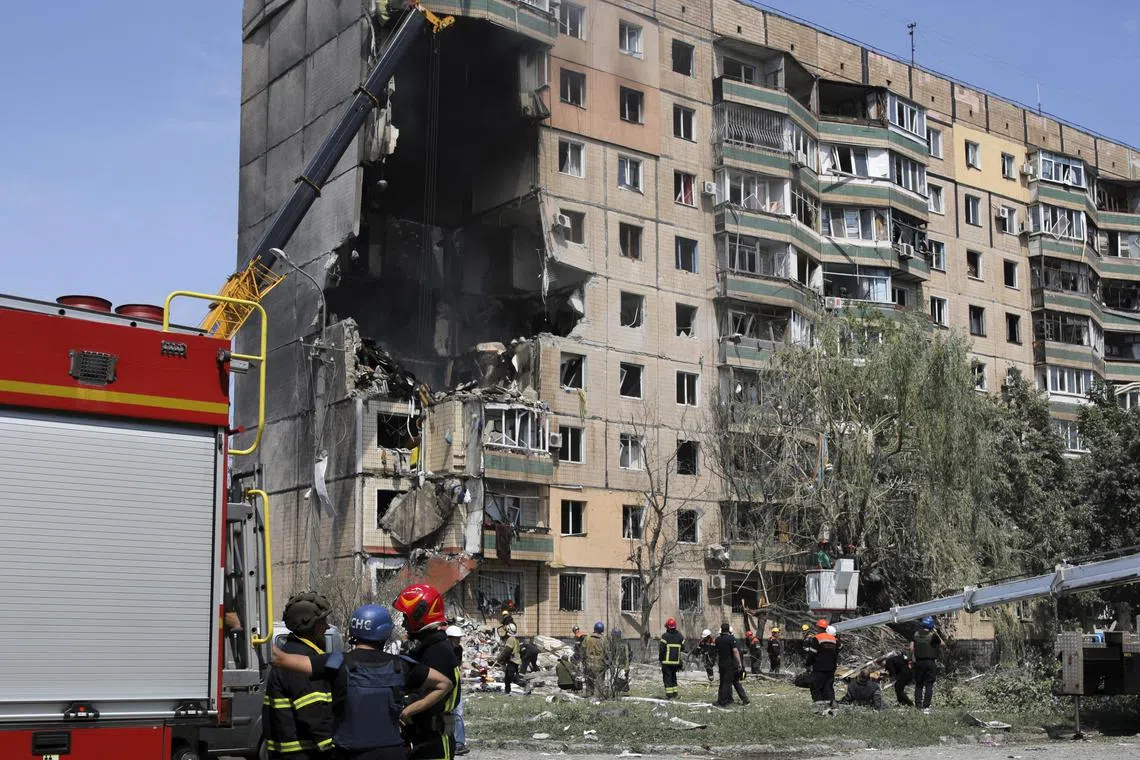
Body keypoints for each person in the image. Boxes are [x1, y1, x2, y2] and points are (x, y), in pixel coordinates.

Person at [271, 604, 453, 760]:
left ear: (353, 630)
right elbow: (444, 684)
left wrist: (254, 635)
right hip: (392, 752)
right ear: (385, 633)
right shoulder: (401, 665)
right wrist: (407, 711)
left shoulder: (336, 662)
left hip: (350, 753)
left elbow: (280, 659)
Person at [393, 583, 461, 760]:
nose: (403, 623)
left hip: (434, 740)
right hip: (420, 735)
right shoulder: (425, 647)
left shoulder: (438, 651)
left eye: (406, 617)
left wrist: (402, 707)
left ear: (419, 615)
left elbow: (432, 693)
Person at [264, 592, 334, 759]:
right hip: (303, 753)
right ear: (312, 626)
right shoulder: (301, 661)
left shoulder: (290, 652)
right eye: (323, 622)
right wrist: (332, 747)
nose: (327, 627)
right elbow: (313, 713)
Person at [804, 620, 840, 710]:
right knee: (828, 687)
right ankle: (832, 706)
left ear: (819, 628)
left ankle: (820, 709)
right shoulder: (833, 639)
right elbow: (835, 655)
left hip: (819, 667)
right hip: (831, 668)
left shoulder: (817, 638)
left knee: (816, 687)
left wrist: (808, 664)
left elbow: (812, 654)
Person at [445, 625, 469, 756]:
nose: (458, 641)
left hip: (455, 683)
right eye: (456, 639)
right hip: (446, 683)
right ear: (449, 638)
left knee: (458, 712)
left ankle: (459, 743)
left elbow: (457, 666)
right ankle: (450, 741)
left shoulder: (458, 649)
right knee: (447, 713)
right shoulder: (443, 650)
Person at [911, 616, 941, 713]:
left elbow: (911, 648)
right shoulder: (933, 635)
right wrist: (936, 633)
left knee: (918, 684)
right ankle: (926, 706)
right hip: (930, 662)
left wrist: (913, 659)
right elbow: (943, 644)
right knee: (929, 685)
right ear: (931, 625)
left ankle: (918, 705)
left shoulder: (915, 635)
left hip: (919, 662)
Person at [714, 623, 749, 706]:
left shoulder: (717, 639)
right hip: (731, 665)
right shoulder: (732, 639)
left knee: (723, 683)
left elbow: (717, 651)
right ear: (729, 630)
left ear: (721, 630)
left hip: (722, 664)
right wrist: (740, 664)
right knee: (731, 682)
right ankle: (730, 700)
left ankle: (722, 700)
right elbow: (735, 651)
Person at [497, 623, 527, 694]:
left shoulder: (510, 639)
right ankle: (507, 691)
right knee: (507, 678)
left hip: (512, 661)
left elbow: (507, 650)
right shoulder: (516, 639)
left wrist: (500, 658)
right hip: (515, 660)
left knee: (511, 677)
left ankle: (525, 684)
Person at [658, 618, 684, 699]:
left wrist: (660, 659)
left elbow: (662, 649)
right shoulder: (680, 636)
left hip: (666, 662)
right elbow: (683, 648)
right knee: (673, 677)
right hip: (676, 662)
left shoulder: (665, 636)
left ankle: (669, 696)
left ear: (667, 627)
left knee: (667, 678)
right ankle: (675, 694)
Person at [581, 621, 608, 699]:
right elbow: (607, 651)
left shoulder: (587, 638)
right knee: (600, 681)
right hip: (600, 664)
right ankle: (599, 696)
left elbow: (582, 649)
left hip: (589, 662)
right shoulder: (604, 639)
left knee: (589, 680)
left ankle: (590, 695)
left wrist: (583, 660)